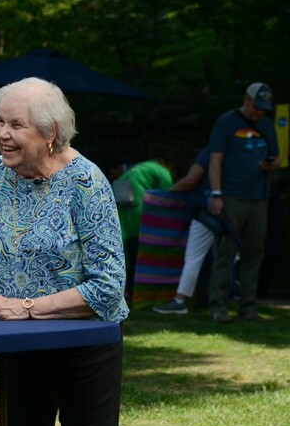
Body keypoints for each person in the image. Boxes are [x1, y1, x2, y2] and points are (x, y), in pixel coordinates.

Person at [0, 77, 127, 426]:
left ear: (50, 132)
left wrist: (28, 307)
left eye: (16, 124)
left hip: (82, 345)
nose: (3, 134)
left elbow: (107, 286)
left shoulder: (87, 182)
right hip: (16, 343)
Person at [207, 82, 279, 322]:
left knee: (254, 253)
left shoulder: (267, 125)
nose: (260, 112)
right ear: (247, 100)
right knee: (225, 252)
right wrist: (216, 195)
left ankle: (248, 307)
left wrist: (271, 165)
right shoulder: (226, 122)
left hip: (260, 199)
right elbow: (215, 160)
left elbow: (276, 158)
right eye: (257, 107)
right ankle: (218, 306)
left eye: (264, 109)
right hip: (231, 198)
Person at [153, 147, 214, 314]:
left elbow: (191, 179)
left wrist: (170, 191)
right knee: (223, 259)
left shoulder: (208, 152)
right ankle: (214, 301)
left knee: (193, 258)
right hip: (230, 209)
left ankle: (180, 300)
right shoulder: (234, 152)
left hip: (204, 212)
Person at [113, 157, 173, 298]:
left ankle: (126, 291)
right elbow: (168, 194)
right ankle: (139, 292)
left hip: (123, 216)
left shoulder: (134, 170)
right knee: (139, 254)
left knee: (127, 254)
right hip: (139, 214)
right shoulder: (162, 171)